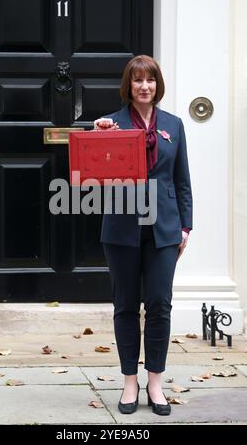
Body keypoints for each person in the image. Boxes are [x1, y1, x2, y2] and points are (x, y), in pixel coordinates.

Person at [93, 55, 192, 416]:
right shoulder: (111, 124)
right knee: (125, 305)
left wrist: (185, 225)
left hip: (164, 228)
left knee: (160, 305)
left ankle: (155, 383)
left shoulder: (174, 125)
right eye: (137, 80)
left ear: (157, 85)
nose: (144, 86)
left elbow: (182, 181)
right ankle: (129, 382)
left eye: (150, 80)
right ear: (128, 86)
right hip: (121, 229)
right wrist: (98, 138)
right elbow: (93, 175)